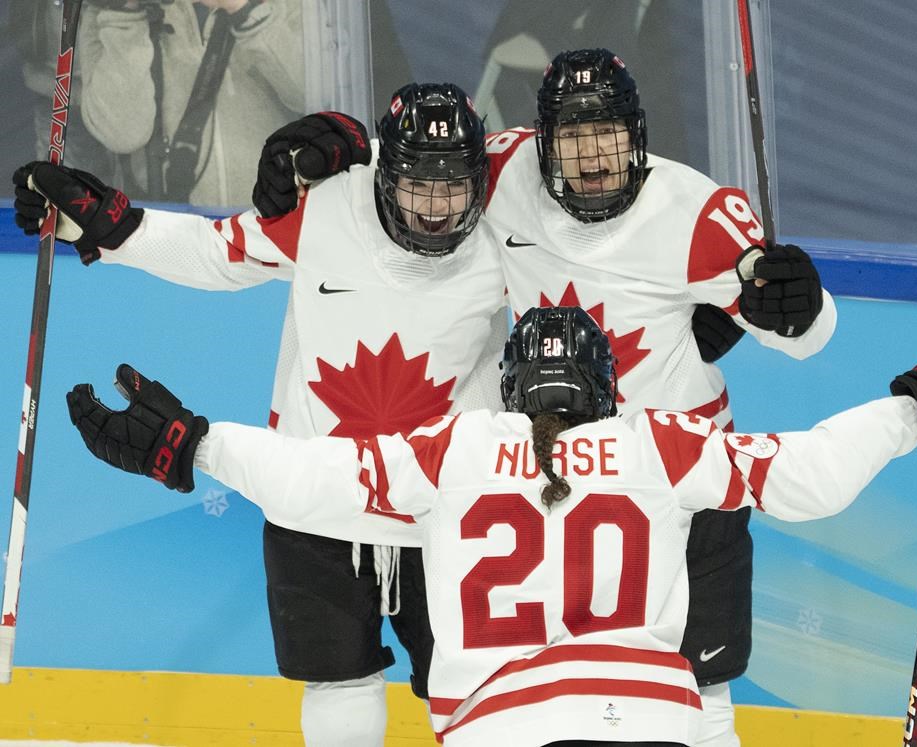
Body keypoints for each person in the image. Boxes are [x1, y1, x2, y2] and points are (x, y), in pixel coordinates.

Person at [64, 305, 917, 747]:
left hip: (497, 733)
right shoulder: (663, 444)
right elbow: (812, 475)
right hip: (655, 728)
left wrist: (196, 446)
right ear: (608, 387)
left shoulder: (454, 448)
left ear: (510, 385)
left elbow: (313, 480)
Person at [250, 48, 837, 746]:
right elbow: (422, 158)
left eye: (609, 134)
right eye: (572, 136)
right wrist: (341, 143)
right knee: (556, 683)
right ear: (540, 140)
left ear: (639, 136)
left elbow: (803, 335)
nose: (591, 154)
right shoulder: (505, 173)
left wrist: (802, 310)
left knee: (702, 685)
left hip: (686, 473)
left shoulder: (701, 212)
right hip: (566, 477)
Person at [11, 83, 508, 746]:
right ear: (385, 172)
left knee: (476, 683)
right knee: (338, 682)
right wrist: (108, 222)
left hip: (450, 504)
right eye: (419, 185)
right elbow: (215, 252)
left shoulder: (509, 230)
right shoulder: (330, 211)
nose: (438, 206)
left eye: (454, 186)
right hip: (313, 496)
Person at [76, 0, 304, 206]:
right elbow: (121, 134)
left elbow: (315, 99)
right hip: (171, 233)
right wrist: (126, 12)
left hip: (277, 227)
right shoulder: (105, 10)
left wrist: (243, 9)